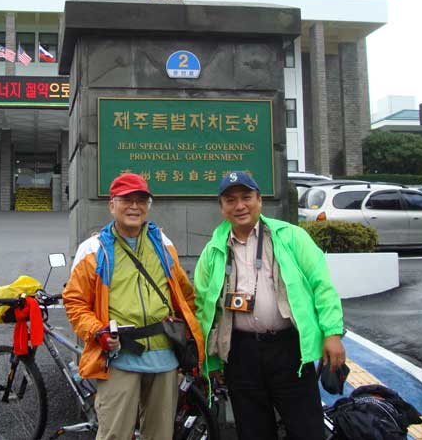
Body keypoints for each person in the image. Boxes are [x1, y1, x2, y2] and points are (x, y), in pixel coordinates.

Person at [194, 171, 346, 440]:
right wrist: (212, 359)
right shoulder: (213, 250)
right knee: (253, 431)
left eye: (246, 197)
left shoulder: (290, 237)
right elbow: (204, 308)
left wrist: (332, 333)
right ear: (221, 207)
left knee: (306, 430)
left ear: (259, 200)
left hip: (288, 349)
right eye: (230, 200)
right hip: (240, 353)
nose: (240, 206)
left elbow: (322, 286)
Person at [63, 172, 204, 440]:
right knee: (114, 434)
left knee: (161, 435)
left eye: (141, 200)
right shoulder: (93, 250)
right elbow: (75, 302)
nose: (134, 207)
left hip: (164, 359)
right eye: (126, 200)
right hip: (119, 358)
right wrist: (97, 331)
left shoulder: (163, 245)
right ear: (112, 205)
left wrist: (189, 337)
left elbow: (184, 295)